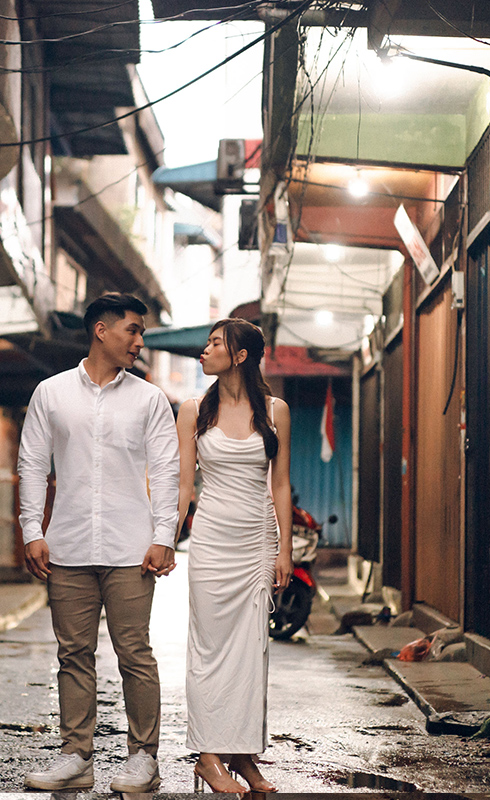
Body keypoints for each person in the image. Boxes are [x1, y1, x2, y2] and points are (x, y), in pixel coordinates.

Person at [17, 292, 181, 793]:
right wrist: (32, 530)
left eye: (142, 333)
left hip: (131, 548)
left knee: (135, 653)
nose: (139, 341)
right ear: (101, 331)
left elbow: (168, 471)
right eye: (132, 330)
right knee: (73, 654)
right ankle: (75, 756)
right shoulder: (51, 392)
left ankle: (143, 759)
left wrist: (163, 536)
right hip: (66, 546)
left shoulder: (149, 399)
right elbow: (31, 463)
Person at [176, 318, 293, 795]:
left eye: (215, 343)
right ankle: (208, 756)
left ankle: (243, 755)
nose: (204, 351)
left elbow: (280, 483)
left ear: (240, 355)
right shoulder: (192, 411)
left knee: (251, 654)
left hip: (256, 543)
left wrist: (284, 548)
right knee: (207, 651)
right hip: (210, 542)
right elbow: (185, 487)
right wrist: (165, 539)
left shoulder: (275, 410)